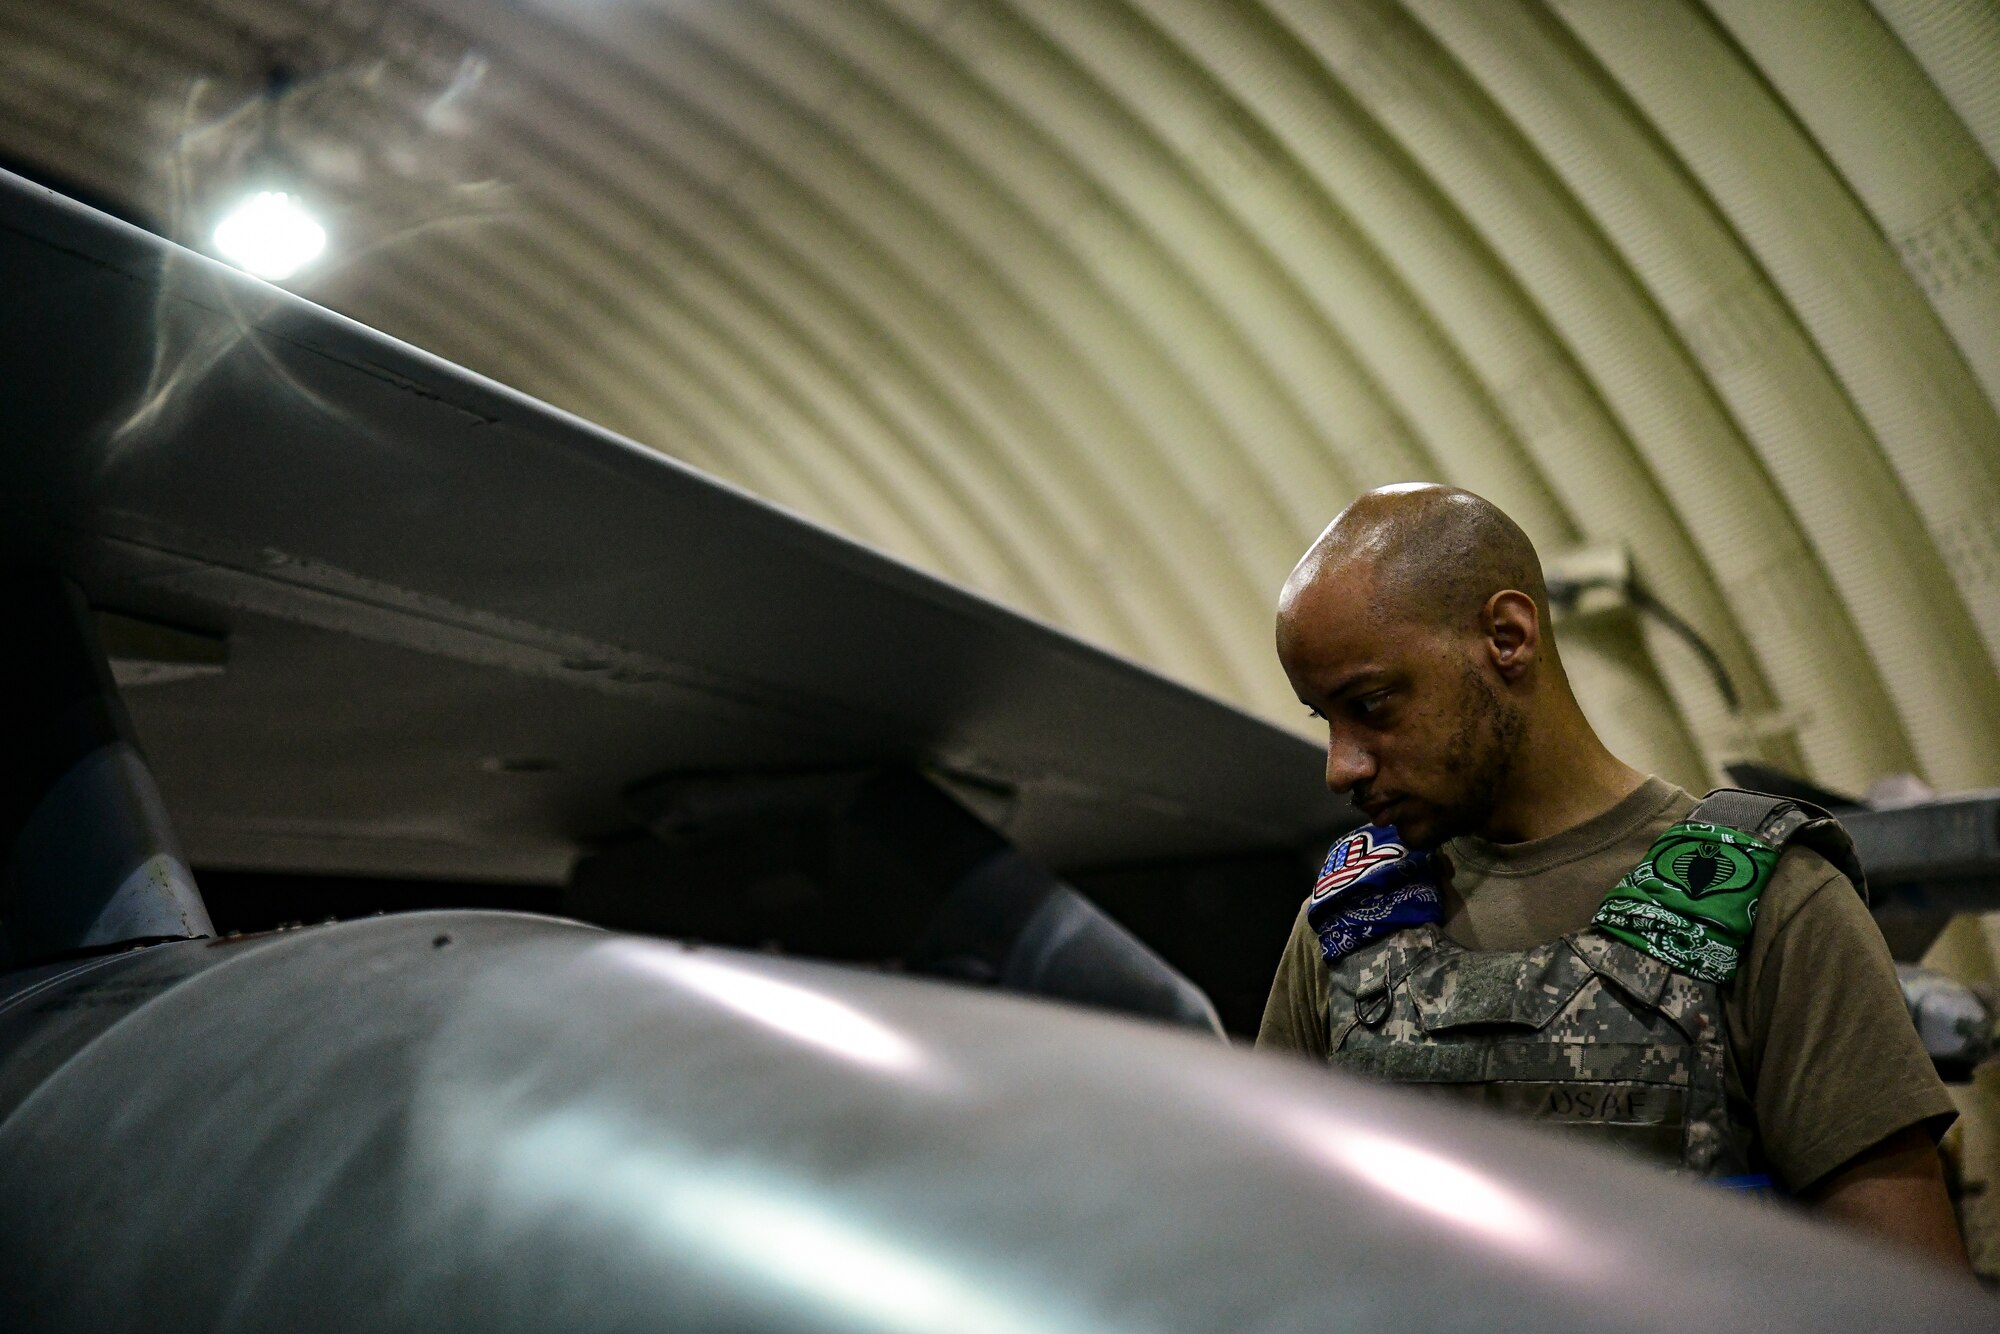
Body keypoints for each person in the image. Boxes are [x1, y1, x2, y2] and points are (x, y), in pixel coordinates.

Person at [1258, 483, 1966, 1267]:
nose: (1341, 767)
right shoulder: (1350, 930)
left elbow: (1907, 1294)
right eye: (1327, 719)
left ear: (1508, 635)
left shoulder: (1771, 906)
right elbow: (1265, 1248)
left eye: (1374, 703)